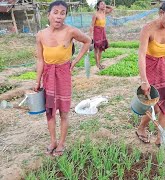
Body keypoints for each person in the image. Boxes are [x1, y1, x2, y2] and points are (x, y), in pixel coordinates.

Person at [34, 1, 91, 156]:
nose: (59, 16)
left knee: (64, 112)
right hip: (48, 76)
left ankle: (61, 143)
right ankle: (53, 141)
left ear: (65, 15)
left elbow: (87, 41)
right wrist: (37, 80)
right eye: (56, 12)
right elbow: (40, 60)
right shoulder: (41, 35)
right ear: (49, 15)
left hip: (63, 75)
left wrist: (75, 61)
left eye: (63, 13)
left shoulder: (71, 31)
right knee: (50, 111)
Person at [136, 0, 165, 147]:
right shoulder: (148, 29)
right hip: (149, 67)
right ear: (161, 12)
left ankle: (160, 137)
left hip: (162, 67)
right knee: (154, 106)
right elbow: (141, 55)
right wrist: (144, 80)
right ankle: (141, 128)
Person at [89, 0, 113, 70]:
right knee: (96, 48)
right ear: (98, 6)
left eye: (104, 4)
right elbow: (91, 25)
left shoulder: (104, 12)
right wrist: (90, 36)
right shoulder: (95, 14)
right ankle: (97, 64)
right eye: (102, 4)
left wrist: (105, 6)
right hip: (97, 31)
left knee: (101, 49)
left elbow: (111, 9)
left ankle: (99, 63)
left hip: (102, 31)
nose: (104, 5)